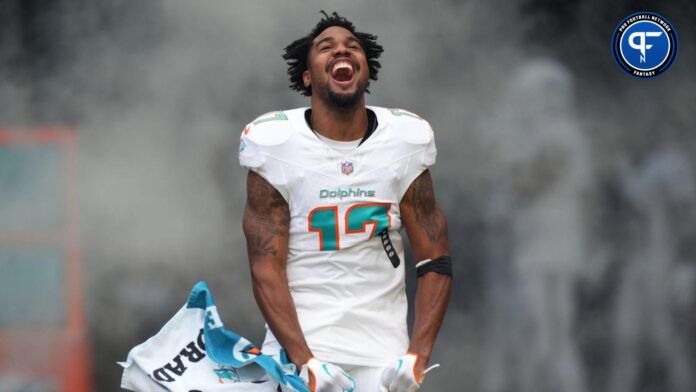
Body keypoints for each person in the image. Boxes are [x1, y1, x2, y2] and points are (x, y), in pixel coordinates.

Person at [240, 11, 452, 392]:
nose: (342, 49)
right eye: (326, 47)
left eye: (352, 46)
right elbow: (264, 268)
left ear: (365, 70)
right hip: (302, 350)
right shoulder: (274, 143)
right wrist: (305, 362)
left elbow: (434, 258)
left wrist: (417, 355)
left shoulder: (404, 140)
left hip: (383, 353)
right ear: (307, 76)